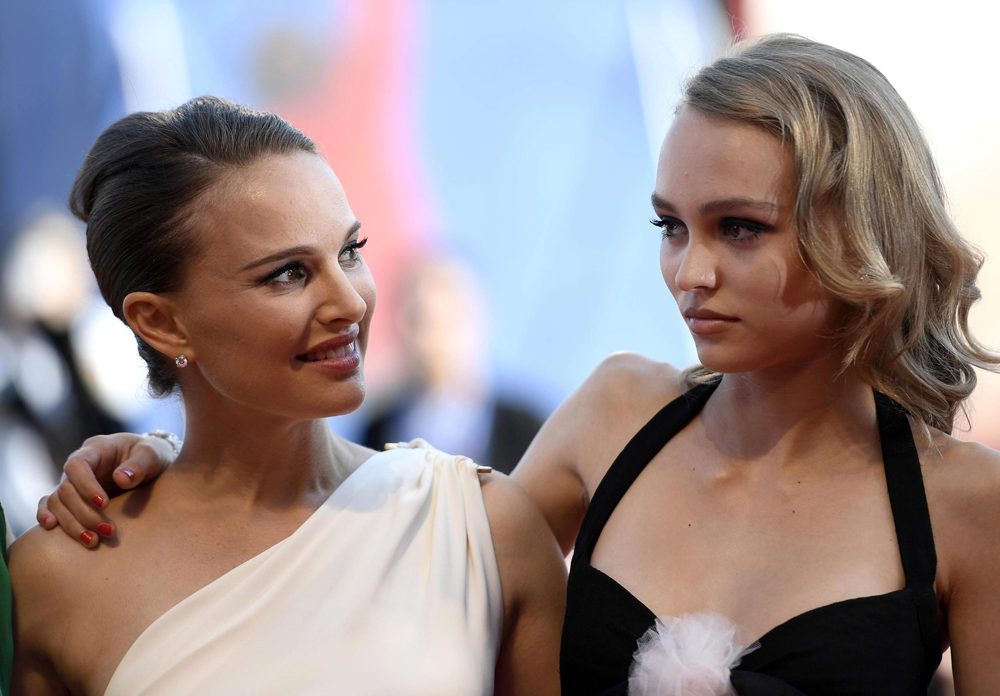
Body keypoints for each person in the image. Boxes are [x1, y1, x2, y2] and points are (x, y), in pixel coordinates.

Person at [41, 35, 1000, 694]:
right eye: (671, 226)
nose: (689, 272)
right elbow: (381, 552)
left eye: (739, 228)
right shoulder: (617, 415)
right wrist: (171, 455)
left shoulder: (964, 507)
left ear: (858, 226)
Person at [10, 97, 565, 695]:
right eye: (288, 274)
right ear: (162, 324)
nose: (351, 304)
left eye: (350, 252)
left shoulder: (485, 529)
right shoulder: (55, 580)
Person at [361, 257, 544, 474]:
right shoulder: (380, 429)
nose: (426, 341)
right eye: (415, 321)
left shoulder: (525, 430)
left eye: (435, 321)